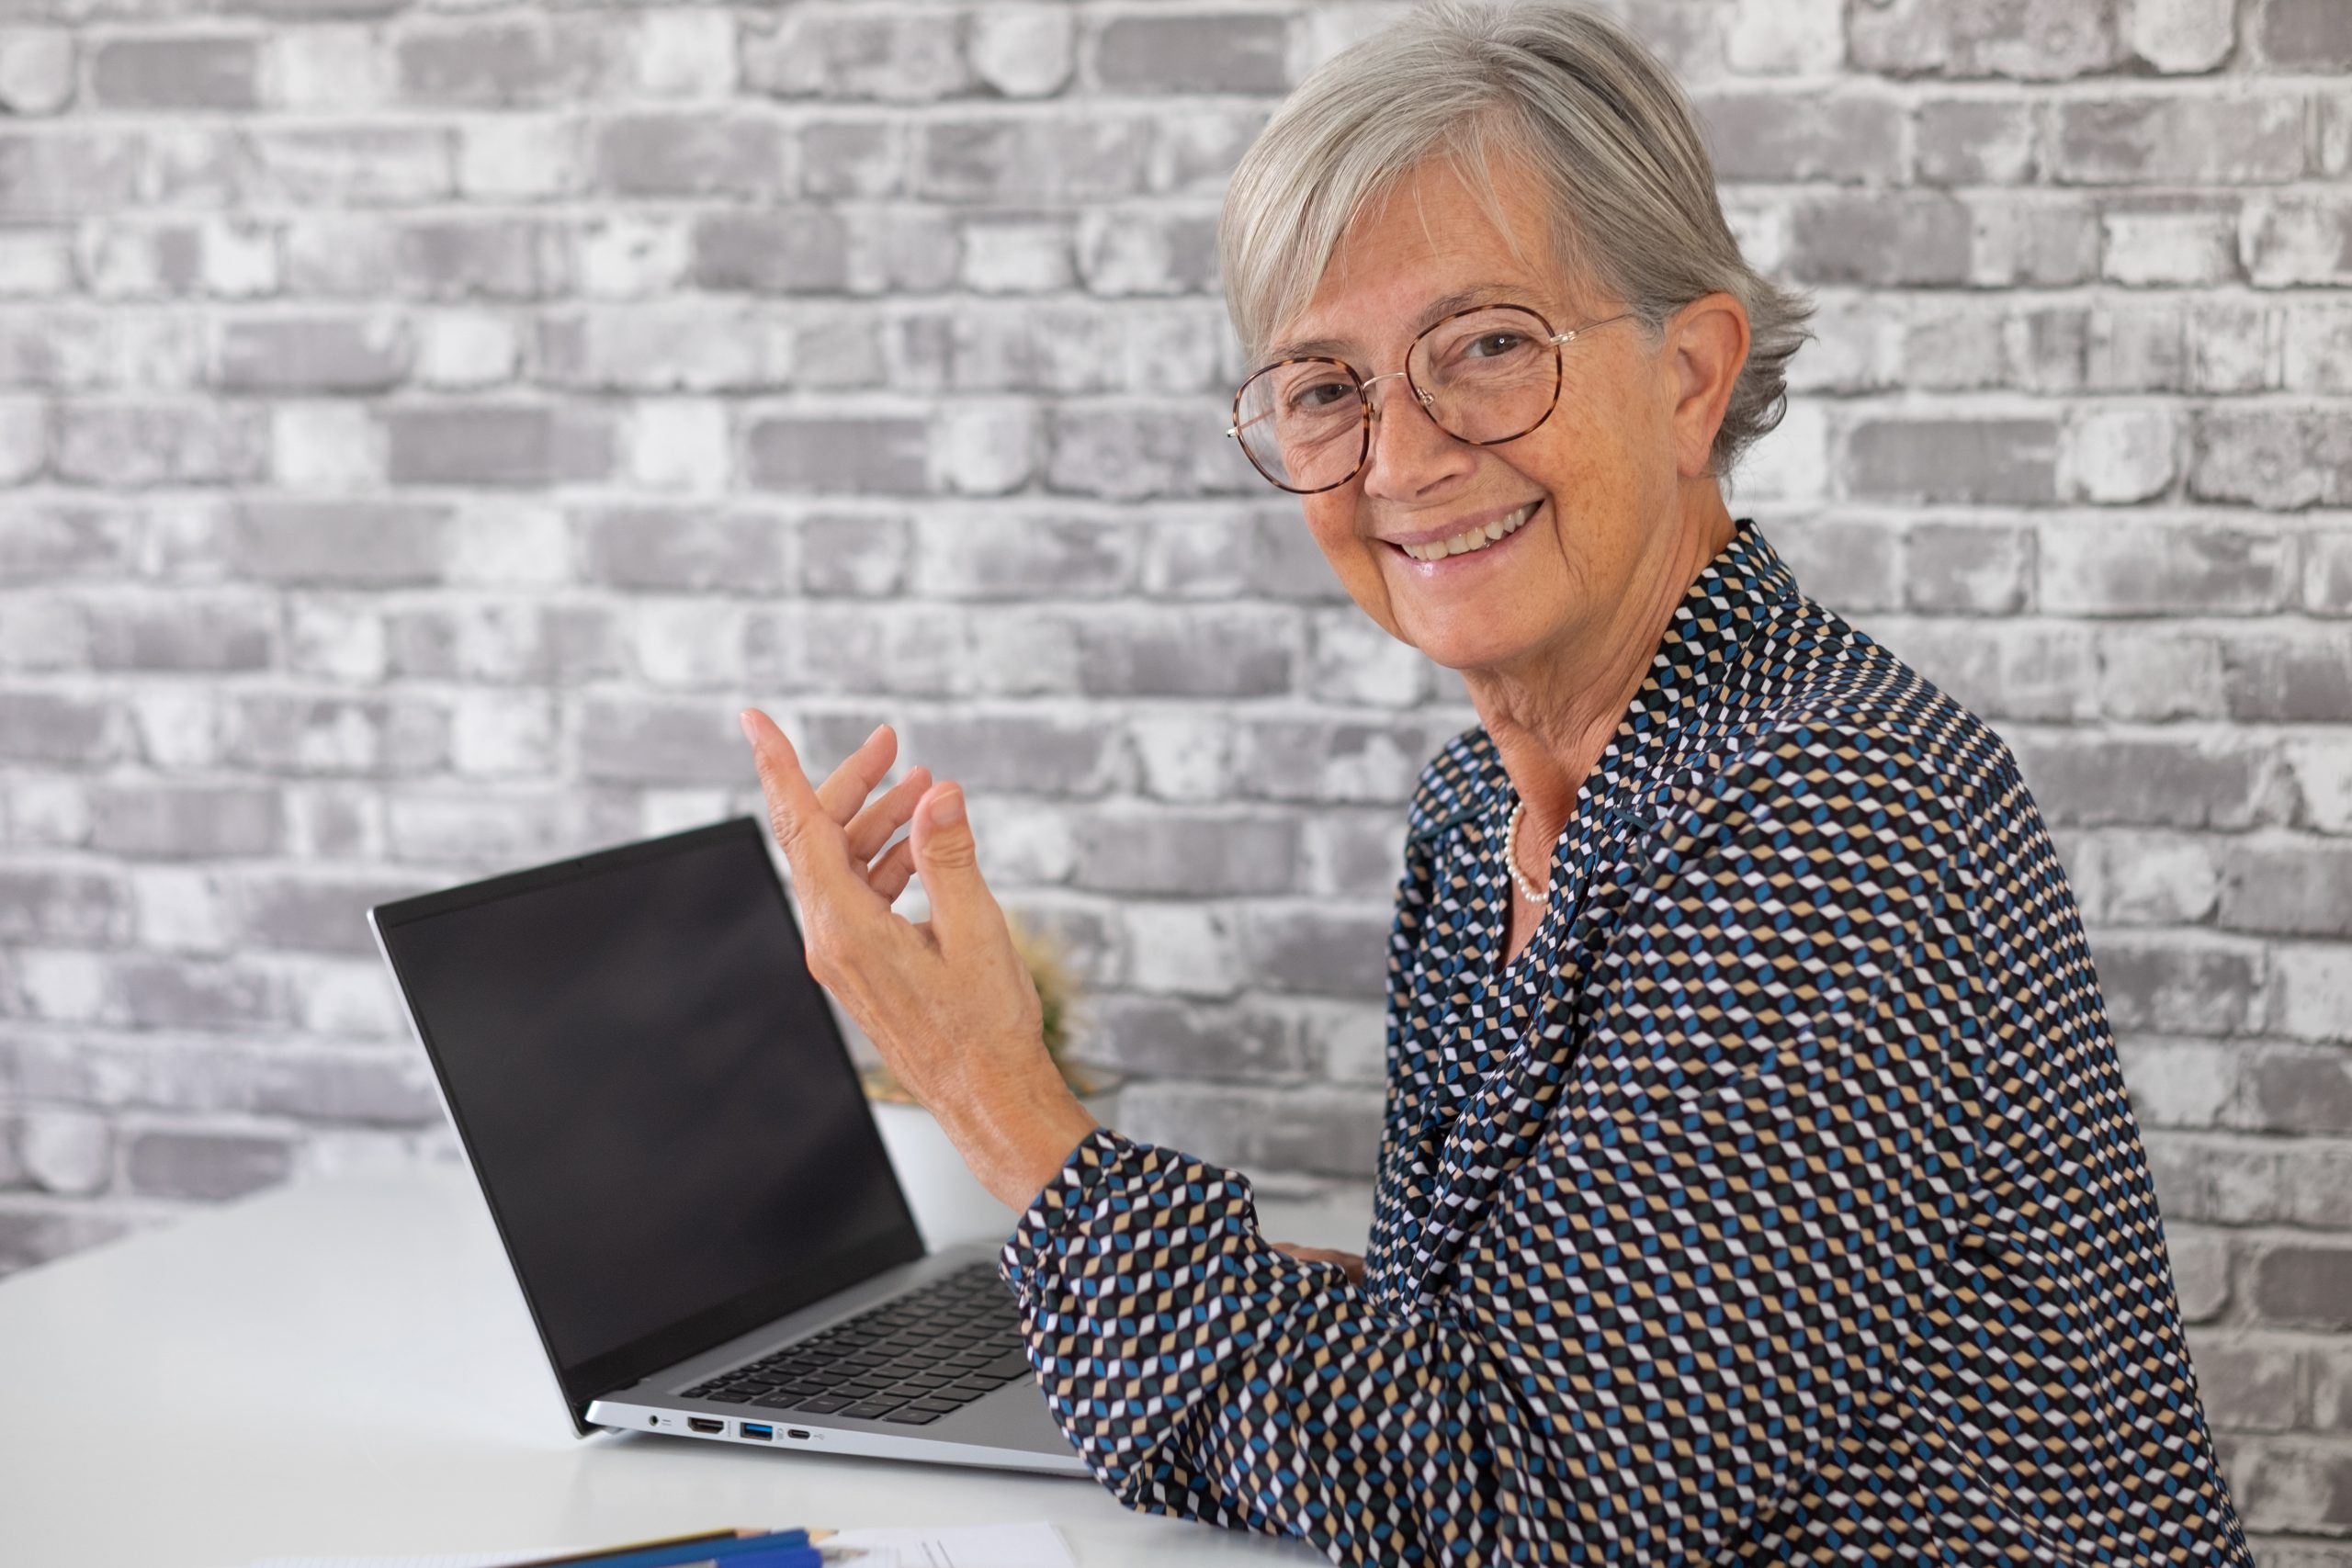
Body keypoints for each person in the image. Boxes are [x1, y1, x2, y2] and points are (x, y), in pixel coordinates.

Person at [737, 3, 2254, 1562]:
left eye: (1485, 349)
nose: (1400, 459)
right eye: (1327, 387)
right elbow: (1478, 1365)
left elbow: (1539, 1504)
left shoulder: (1830, 805)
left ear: (1689, 378)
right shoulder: (1482, 820)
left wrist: (1002, 1102)